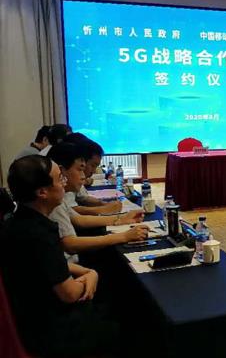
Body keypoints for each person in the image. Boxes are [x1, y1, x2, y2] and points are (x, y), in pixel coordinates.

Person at [0, 155, 120, 356]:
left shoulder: (18, 221)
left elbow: (46, 266)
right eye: (59, 178)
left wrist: (85, 271)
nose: (64, 183)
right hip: (49, 330)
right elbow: (69, 293)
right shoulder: (39, 234)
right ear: (42, 192)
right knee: (122, 320)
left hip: (32, 315)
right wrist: (91, 275)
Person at [47, 142, 147, 262]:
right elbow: (70, 244)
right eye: (79, 169)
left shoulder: (59, 197)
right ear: (61, 171)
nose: (83, 176)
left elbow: (79, 219)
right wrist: (124, 236)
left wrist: (122, 218)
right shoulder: (52, 201)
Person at [62, 134, 123, 216]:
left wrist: (104, 204)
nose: (94, 171)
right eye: (93, 165)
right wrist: (107, 209)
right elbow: (74, 215)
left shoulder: (73, 181)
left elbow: (83, 197)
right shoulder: (65, 183)